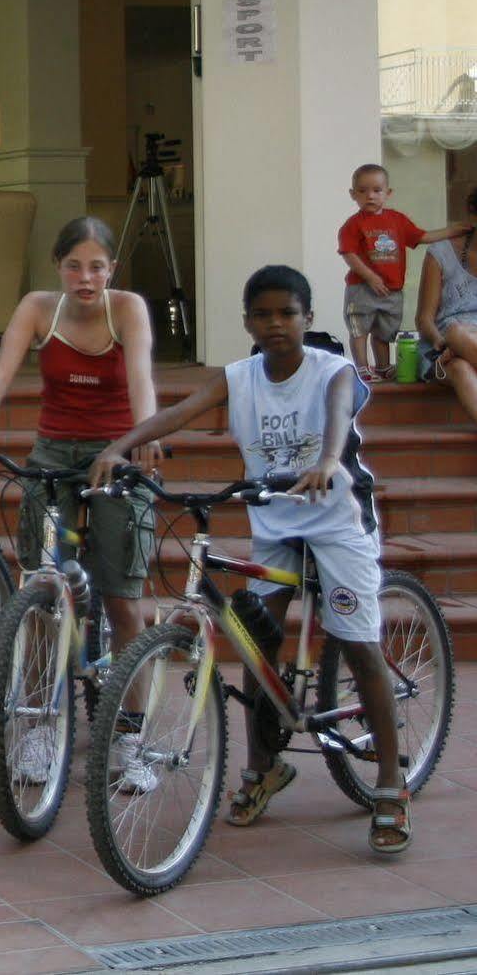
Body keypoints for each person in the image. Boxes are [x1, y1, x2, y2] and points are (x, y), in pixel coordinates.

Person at [89, 265, 408, 853]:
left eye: (288, 313)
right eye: (263, 315)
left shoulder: (331, 370)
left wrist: (329, 460)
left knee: (360, 647)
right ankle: (264, 768)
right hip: (277, 522)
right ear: (247, 322)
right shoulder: (239, 377)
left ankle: (390, 785)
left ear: (308, 319)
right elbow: (179, 412)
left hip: (337, 519)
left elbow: (338, 417)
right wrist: (119, 446)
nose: (276, 324)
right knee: (256, 644)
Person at [0, 216, 161, 672]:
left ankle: (128, 726)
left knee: (123, 598)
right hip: (54, 449)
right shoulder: (38, 307)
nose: (85, 279)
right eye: (73, 266)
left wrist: (143, 438)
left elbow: (141, 379)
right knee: (42, 584)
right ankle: (43, 715)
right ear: (57, 265)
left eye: (97, 267)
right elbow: (2, 372)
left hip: (115, 451)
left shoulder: (127, 308)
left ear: (112, 269)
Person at [338, 163, 467, 380]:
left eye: (377, 190)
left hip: (391, 290)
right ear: (353, 194)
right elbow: (348, 253)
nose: (370, 196)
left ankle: (382, 366)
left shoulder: (397, 220)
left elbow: (422, 237)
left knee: (384, 331)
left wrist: (452, 231)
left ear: (388, 193)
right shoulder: (352, 225)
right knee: (360, 328)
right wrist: (370, 277)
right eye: (362, 191)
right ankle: (361, 367)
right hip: (362, 288)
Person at [413, 188, 477, 422]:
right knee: (457, 342)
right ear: (473, 216)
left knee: (460, 339)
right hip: (441, 348)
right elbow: (424, 320)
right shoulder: (441, 253)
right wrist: (444, 345)